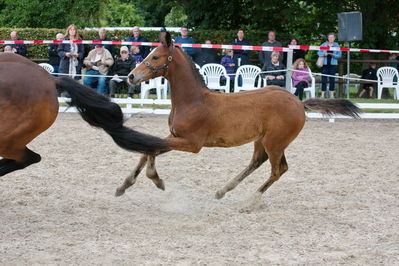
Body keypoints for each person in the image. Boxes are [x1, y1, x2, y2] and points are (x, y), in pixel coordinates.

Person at [317, 33, 342, 98]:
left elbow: (339, 55)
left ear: (334, 38)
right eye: (329, 37)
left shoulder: (337, 45)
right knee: (324, 80)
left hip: (333, 65)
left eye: (332, 37)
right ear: (328, 38)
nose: (331, 38)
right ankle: (322, 95)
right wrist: (323, 54)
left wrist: (334, 55)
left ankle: (332, 95)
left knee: (332, 80)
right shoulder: (323, 44)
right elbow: (318, 52)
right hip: (324, 64)